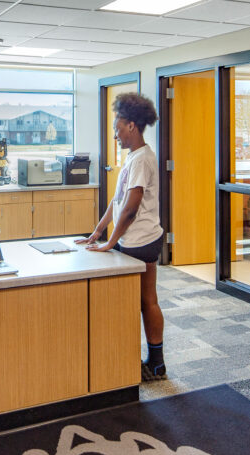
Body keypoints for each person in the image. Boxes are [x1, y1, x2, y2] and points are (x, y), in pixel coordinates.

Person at [75, 92, 167, 382]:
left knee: (144, 301)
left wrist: (110, 243)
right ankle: (154, 361)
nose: (115, 134)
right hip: (136, 239)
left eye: (117, 128)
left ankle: (154, 362)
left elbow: (130, 207)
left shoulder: (141, 159)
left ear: (131, 125)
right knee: (143, 300)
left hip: (140, 241)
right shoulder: (134, 157)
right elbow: (117, 201)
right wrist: (97, 232)